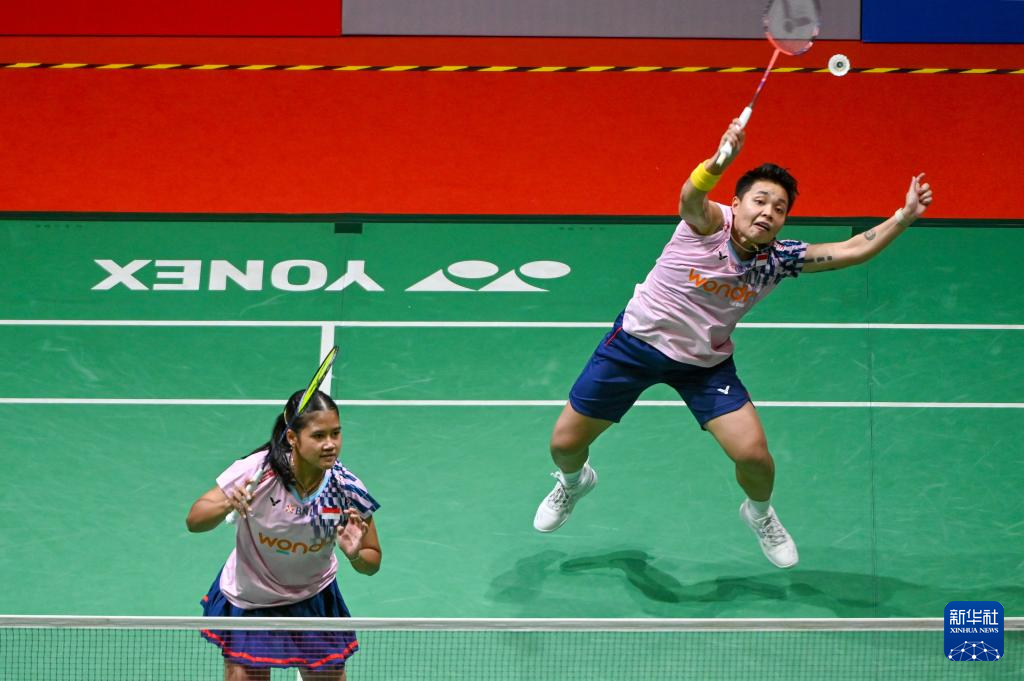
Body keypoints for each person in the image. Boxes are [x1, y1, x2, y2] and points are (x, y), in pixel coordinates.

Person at [533, 118, 933, 569]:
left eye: (779, 208)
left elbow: (850, 250)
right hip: (634, 347)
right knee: (564, 445)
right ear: (737, 203)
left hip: (703, 365)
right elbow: (690, 198)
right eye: (759, 201)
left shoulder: (778, 259)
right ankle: (574, 482)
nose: (767, 213)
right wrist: (718, 162)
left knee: (754, 456)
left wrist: (903, 217)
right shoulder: (707, 226)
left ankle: (759, 514)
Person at [187, 389, 381, 680]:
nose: (330, 444)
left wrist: (355, 556)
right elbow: (194, 520)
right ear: (292, 437)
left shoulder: (346, 490)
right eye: (318, 436)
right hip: (252, 599)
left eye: (336, 433)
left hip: (313, 597)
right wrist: (227, 503)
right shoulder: (257, 473)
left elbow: (372, 560)